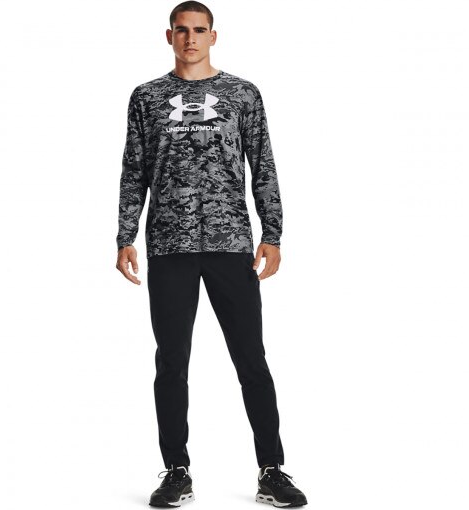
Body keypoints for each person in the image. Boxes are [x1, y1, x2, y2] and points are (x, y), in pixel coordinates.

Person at [116, 1, 308, 507]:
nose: (190, 39)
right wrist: (124, 236)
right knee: (171, 363)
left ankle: (272, 469)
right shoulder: (147, 97)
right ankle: (176, 470)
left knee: (251, 360)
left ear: (213, 36)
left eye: (199, 30)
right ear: (169, 36)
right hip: (169, 245)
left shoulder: (243, 94)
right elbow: (134, 170)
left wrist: (273, 233)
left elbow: (263, 164)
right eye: (182, 30)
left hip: (231, 244)